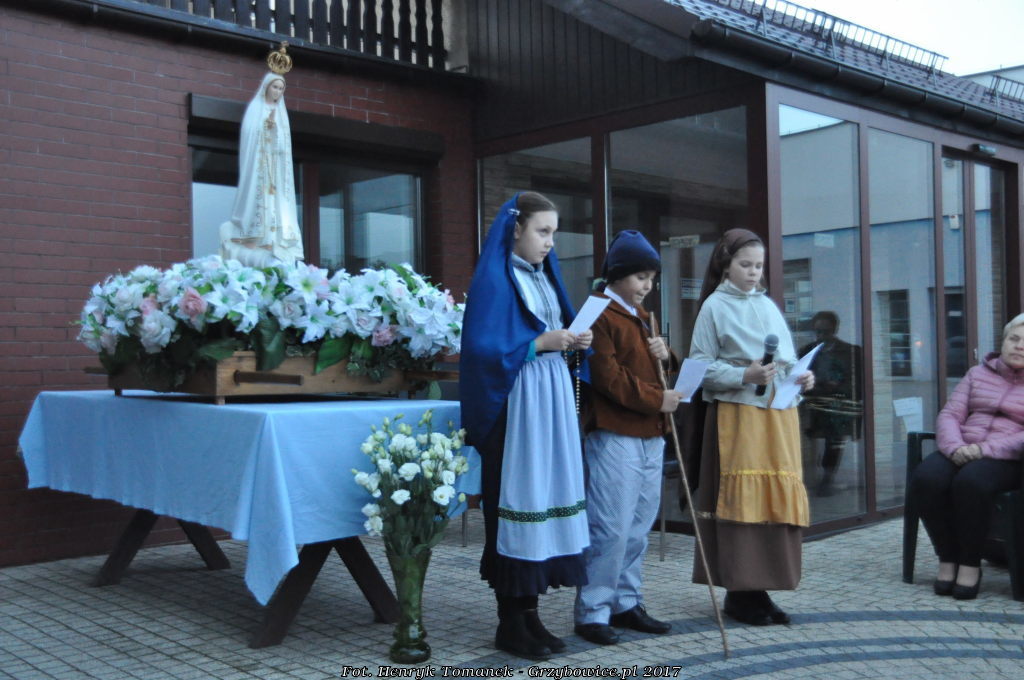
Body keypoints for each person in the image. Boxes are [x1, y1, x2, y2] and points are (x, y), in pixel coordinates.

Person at [459, 191, 593, 660]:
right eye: (542, 231)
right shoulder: (495, 280)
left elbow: (555, 334)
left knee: (545, 499)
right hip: (517, 408)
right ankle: (510, 621)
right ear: (516, 229)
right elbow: (480, 350)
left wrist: (575, 340)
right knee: (517, 502)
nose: (550, 242)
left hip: (549, 402)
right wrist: (540, 343)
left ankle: (530, 614)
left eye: (554, 232)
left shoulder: (545, 278)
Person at [688, 228, 814, 626]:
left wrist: (801, 378)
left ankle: (763, 589)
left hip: (778, 417)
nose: (753, 272)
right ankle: (740, 592)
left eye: (759, 266)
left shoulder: (768, 305)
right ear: (725, 264)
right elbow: (699, 367)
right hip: (739, 417)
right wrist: (745, 374)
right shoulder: (714, 306)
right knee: (743, 500)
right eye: (745, 265)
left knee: (772, 499)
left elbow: (787, 362)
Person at [573, 230, 680, 646]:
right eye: (640, 277)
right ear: (617, 275)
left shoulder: (643, 316)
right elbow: (609, 378)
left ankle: (626, 601)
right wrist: (658, 400)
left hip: (651, 431)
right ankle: (593, 610)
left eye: (651, 278)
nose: (647, 286)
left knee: (638, 525)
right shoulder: (598, 312)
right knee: (611, 526)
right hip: (614, 432)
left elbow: (654, 369)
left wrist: (667, 356)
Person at [909, 314, 1024, 600]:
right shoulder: (977, 374)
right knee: (926, 478)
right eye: (1014, 339)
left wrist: (984, 450)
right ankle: (947, 557)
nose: (1019, 346)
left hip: (1006, 457)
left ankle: (971, 563)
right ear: (1003, 341)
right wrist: (955, 447)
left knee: (971, 482)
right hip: (961, 446)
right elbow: (950, 414)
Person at [220, 71, 304, 267]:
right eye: (275, 87)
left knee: (276, 203)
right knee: (259, 200)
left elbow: (284, 145)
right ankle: (254, 238)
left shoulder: (281, 113)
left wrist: (275, 130)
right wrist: (266, 126)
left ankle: (274, 240)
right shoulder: (256, 108)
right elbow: (250, 136)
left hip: (275, 167)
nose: (277, 91)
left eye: (281, 88)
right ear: (266, 86)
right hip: (258, 165)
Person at [799, 311, 864, 497]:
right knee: (807, 441)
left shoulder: (851, 352)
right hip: (813, 405)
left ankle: (827, 480)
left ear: (834, 330)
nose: (821, 336)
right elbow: (797, 380)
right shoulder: (806, 351)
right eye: (818, 332)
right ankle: (811, 480)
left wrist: (836, 387)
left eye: (825, 331)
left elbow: (858, 382)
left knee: (835, 441)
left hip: (839, 406)